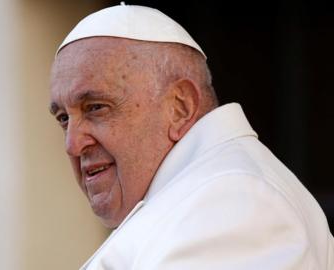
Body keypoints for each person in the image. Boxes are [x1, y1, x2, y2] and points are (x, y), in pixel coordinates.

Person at [49, 3, 334, 270]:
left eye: (96, 108)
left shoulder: (233, 201)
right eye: (64, 118)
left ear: (180, 107)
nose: (73, 144)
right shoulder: (196, 197)